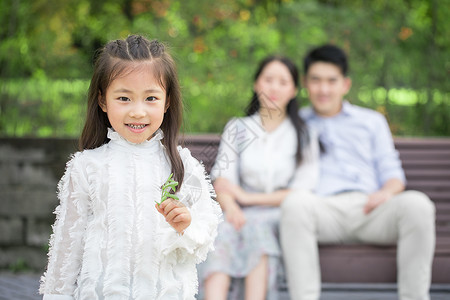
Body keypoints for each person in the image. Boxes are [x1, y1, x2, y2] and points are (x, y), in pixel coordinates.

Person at [39, 35, 222, 300]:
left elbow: (206, 232)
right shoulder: (87, 167)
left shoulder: (184, 167)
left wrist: (186, 224)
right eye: (124, 98)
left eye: (150, 98)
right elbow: (66, 252)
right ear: (103, 101)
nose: (138, 111)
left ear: (167, 101)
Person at [281, 44, 436, 300]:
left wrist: (386, 193)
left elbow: (393, 173)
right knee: (295, 203)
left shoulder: (371, 121)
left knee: (418, 205)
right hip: (321, 210)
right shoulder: (295, 124)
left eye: (332, 81)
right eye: (316, 80)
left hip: (371, 210)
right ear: (306, 84)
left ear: (346, 84)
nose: (324, 89)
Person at [198, 55, 319, 300]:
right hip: (238, 212)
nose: (274, 87)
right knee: (222, 229)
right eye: (268, 79)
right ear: (256, 84)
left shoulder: (304, 134)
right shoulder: (239, 128)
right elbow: (222, 177)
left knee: (257, 227)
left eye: (283, 82)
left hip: (280, 215)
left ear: (294, 90)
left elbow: (302, 191)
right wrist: (231, 207)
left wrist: (246, 199)